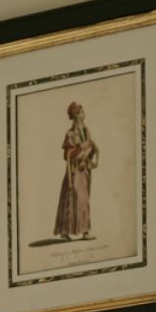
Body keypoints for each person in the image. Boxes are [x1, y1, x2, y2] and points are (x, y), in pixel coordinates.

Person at [54, 98, 98, 238]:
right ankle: (65, 232)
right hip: (74, 170)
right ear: (76, 115)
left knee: (84, 200)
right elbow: (67, 155)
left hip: (84, 170)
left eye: (83, 111)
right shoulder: (70, 134)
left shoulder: (86, 130)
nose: (84, 113)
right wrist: (81, 150)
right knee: (72, 198)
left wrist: (92, 150)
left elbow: (90, 150)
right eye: (81, 111)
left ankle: (85, 231)